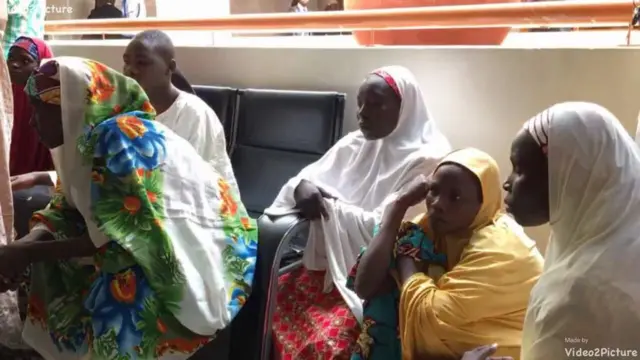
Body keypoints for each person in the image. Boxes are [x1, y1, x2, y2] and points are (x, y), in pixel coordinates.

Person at [0, 57, 258, 359]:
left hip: (204, 254)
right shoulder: (78, 142)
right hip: (143, 243)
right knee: (48, 255)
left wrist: (25, 253)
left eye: (39, 112)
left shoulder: (118, 137)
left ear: (67, 107)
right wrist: (22, 248)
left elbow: (125, 236)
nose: (32, 122)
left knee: (124, 291)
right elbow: (65, 209)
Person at [265, 65, 451, 359]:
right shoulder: (354, 143)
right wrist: (302, 186)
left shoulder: (428, 159)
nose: (363, 112)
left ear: (404, 108)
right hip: (326, 266)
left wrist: (329, 205)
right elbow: (303, 181)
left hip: (377, 280)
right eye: (360, 103)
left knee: (328, 343)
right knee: (262, 306)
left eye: (376, 104)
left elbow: (391, 228)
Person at [350, 148, 543, 360]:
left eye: (456, 197)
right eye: (434, 190)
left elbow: (431, 317)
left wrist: (406, 259)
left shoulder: (501, 247)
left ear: (482, 204)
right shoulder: (424, 229)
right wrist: (398, 206)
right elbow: (365, 287)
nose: (438, 204)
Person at [502, 102, 640, 360]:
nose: (507, 183)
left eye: (519, 168)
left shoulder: (576, 301)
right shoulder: (623, 251)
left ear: (570, 176)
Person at [123, 30, 237, 193]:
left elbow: (189, 182)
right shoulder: (125, 110)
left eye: (142, 63)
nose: (130, 70)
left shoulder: (193, 114)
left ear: (169, 68)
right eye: (126, 62)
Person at [7, 36, 53, 176]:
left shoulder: (52, 102)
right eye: (11, 58)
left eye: (25, 60)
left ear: (41, 65)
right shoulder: (5, 95)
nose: (14, 64)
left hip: (41, 183)